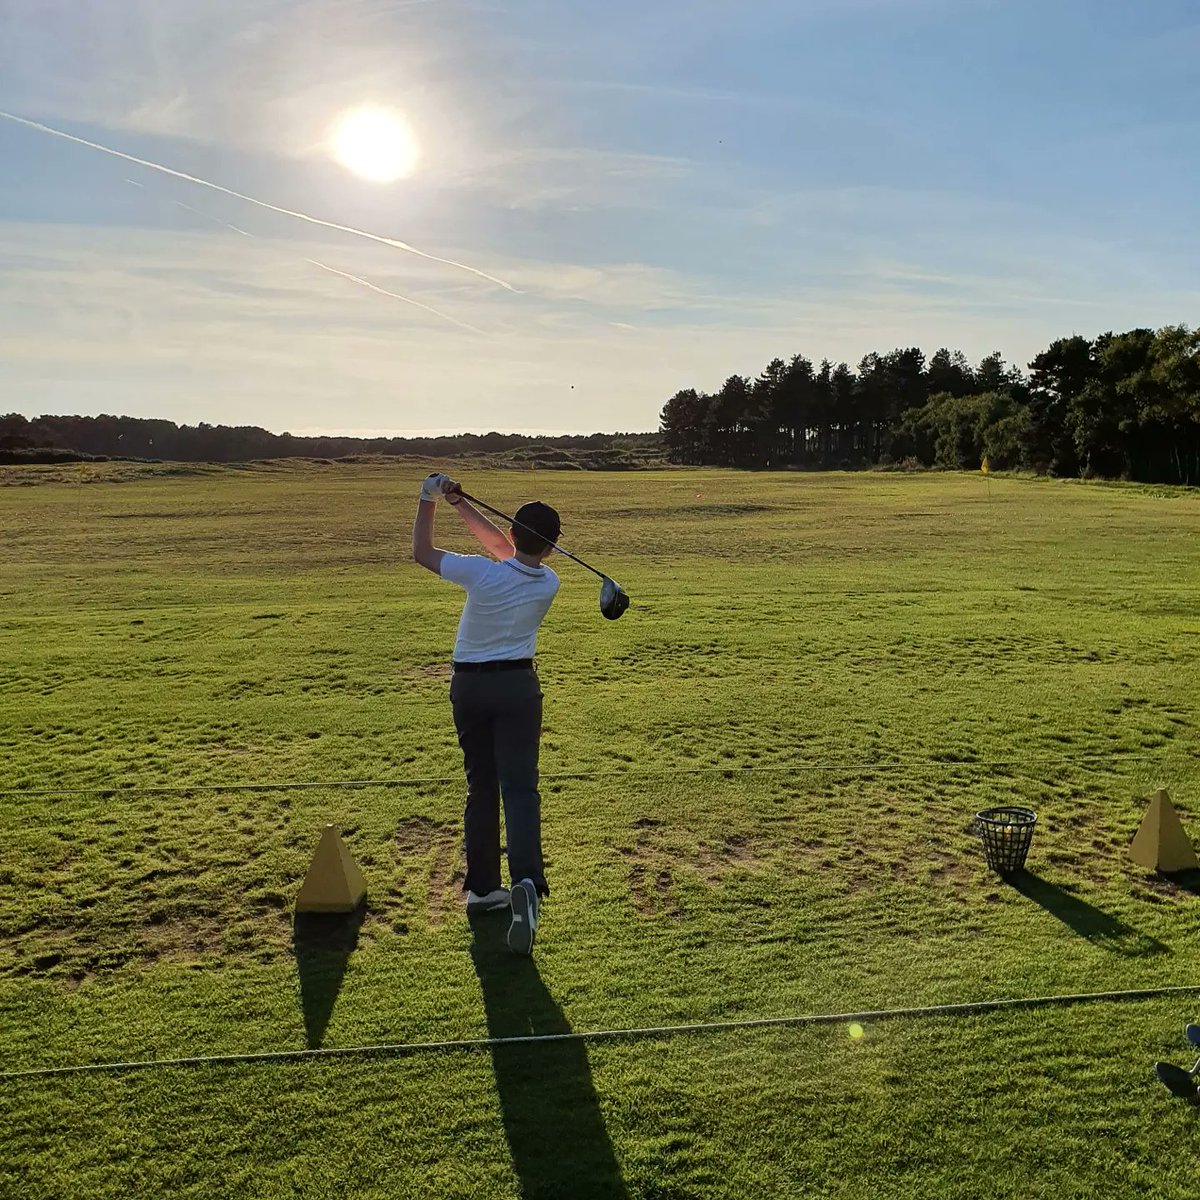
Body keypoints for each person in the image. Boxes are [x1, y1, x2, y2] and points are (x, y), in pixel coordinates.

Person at [411, 472, 561, 955]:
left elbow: (422, 552)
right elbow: (506, 547)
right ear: (553, 548)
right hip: (518, 686)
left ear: (514, 534)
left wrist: (429, 500)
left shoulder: (482, 572)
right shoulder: (549, 582)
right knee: (520, 790)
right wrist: (460, 505)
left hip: (470, 687)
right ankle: (526, 884)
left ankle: (481, 890)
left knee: (482, 786)